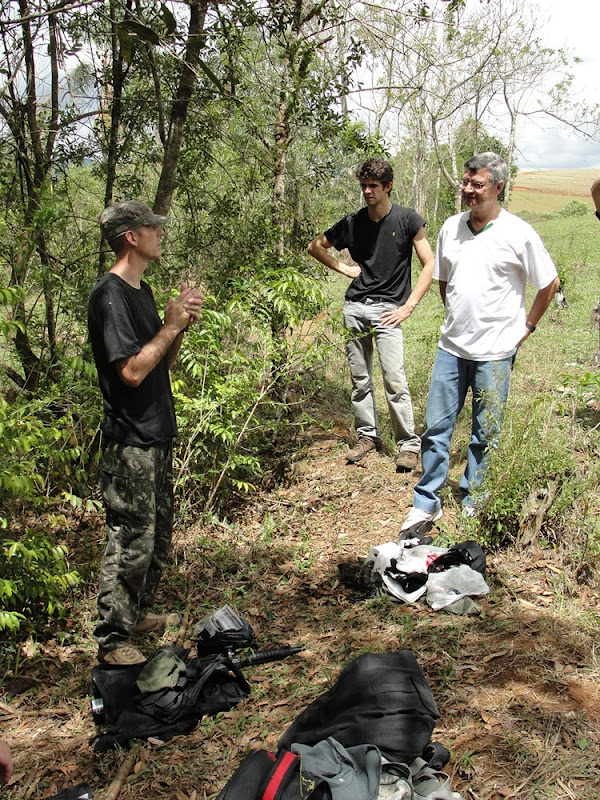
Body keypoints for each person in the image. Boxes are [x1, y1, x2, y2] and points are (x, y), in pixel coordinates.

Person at [400, 152, 559, 534]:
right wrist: (459, 318)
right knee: (436, 428)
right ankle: (426, 504)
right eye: (466, 183)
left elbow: (548, 282)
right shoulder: (451, 228)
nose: (468, 190)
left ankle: (476, 499)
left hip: (496, 354)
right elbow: (444, 280)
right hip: (451, 349)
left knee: (485, 433)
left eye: (477, 184)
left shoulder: (518, 233)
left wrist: (528, 326)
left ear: (498, 187)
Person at [88, 200, 204, 665]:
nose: (160, 233)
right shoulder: (109, 296)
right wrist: (170, 326)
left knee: (157, 535)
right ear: (131, 237)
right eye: (152, 228)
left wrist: (179, 327)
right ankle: (113, 639)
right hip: (129, 438)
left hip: (157, 430)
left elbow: (161, 366)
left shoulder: (143, 291)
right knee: (130, 537)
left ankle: (135, 616)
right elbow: (131, 374)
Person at [307, 157, 435, 472]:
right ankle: (367, 435)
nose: (367, 192)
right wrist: (344, 268)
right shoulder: (353, 223)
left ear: (388, 186)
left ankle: (408, 445)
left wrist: (408, 306)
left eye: (373, 186)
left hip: (389, 310)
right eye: (363, 186)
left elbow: (430, 264)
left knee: (394, 378)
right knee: (359, 378)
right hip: (355, 308)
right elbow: (315, 246)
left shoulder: (408, 220)